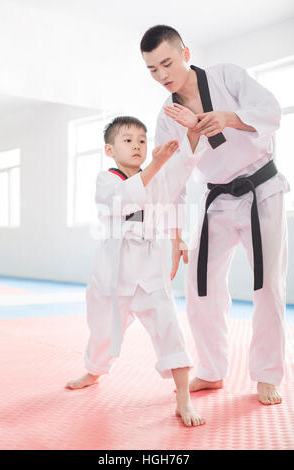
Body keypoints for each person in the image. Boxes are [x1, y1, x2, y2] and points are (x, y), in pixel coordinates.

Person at [140, 25, 289, 406]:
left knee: (267, 285)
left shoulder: (226, 75)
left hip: (261, 189)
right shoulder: (167, 117)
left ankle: (268, 375)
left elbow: (272, 112)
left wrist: (227, 117)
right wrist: (174, 236)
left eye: (167, 63)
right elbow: (171, 178)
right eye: (153, 70)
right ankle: (211, 369)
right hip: (217, 198)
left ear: (186, 52)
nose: (162, 75)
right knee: (199, 286)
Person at [66, 116, 206, 427]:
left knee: (170, 328)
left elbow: (179, 175)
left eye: (143, 140)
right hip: (115, 273)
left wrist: (193, 136)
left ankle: (182, 397)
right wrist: (156, 166)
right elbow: (119, 203)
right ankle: (95, 369)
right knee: (103, 329)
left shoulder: (156, 175)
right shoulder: (106, 179)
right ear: (109, 149)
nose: (137, 146)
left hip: (150, 273)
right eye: (128, 140)